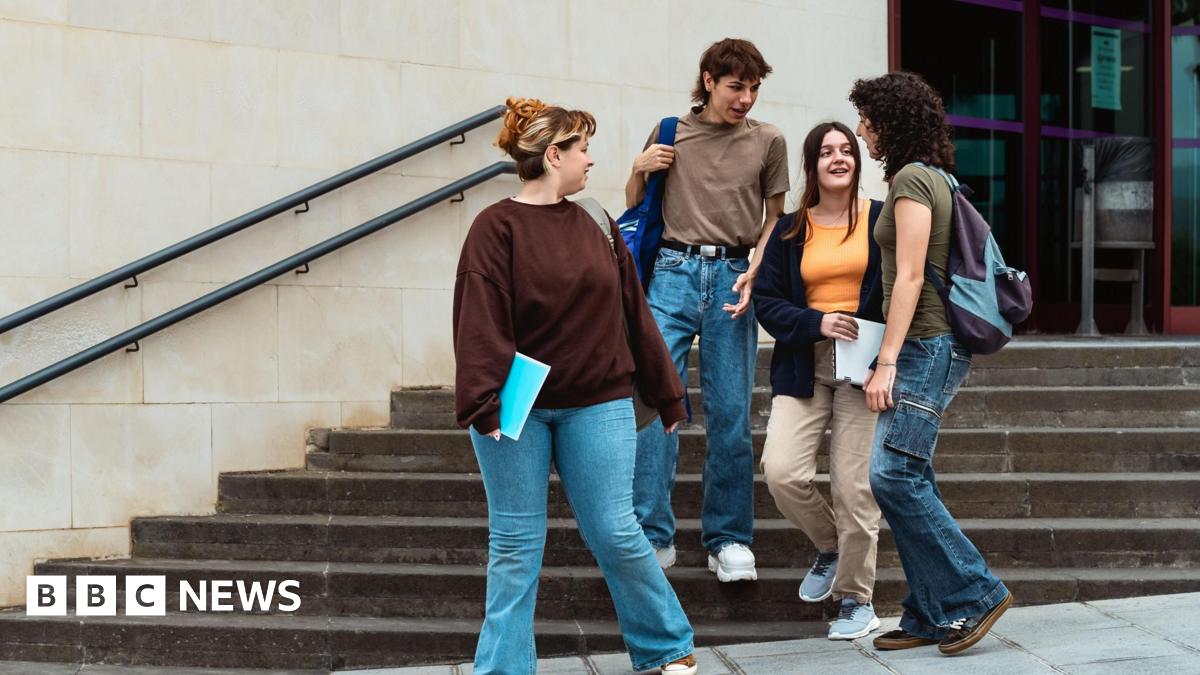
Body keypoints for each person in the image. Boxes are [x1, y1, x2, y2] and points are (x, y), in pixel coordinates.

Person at [453, 97, 698, 675]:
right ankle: (503, 669)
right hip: (516, 407)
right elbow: (478, 320)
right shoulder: (495, 227)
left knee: (616, 531)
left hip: (599, 402)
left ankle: (667, 648)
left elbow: (634, 310)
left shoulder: (596, 221)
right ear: (553, 156)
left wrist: (666, 392)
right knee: (515, 546)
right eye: (582, 149)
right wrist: (483, 404)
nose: (590, 160)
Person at [849, 72, 1013, 656]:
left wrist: (887, 361)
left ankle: (976, 592)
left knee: (891, 475)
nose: (861, 130)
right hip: (927, 344)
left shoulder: (915, 180)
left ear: (890, 122)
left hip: (925, 345)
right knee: (910, 474)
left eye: (867, 119)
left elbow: (912, 275)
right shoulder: (931, 176)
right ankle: (929, 612)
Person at [626, 38, 789, 582]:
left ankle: (729, 538)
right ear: (709, 81)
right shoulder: (670, 131)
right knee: (653, 406)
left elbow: (774, 219)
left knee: (731, 414)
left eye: (754, 88)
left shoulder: (768, 140)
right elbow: (634, 203)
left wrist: (756, 269)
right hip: (671, 273)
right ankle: (652, 534)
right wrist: (639, 167)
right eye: (736, 86)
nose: (746, 98)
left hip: (733, 276)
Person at [752, 121, 885, 640]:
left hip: (865, 368)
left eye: (846, 150)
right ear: (812, 164)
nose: (838, 158)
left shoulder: (880, 220)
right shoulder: (789, 229)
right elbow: (767, 303)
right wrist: (817, 322)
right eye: (827, 152)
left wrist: (888, 360)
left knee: (855, 489)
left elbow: (903, 289)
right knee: (782, 471)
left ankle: (856, 599)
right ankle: (830, 546)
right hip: (804, 365)